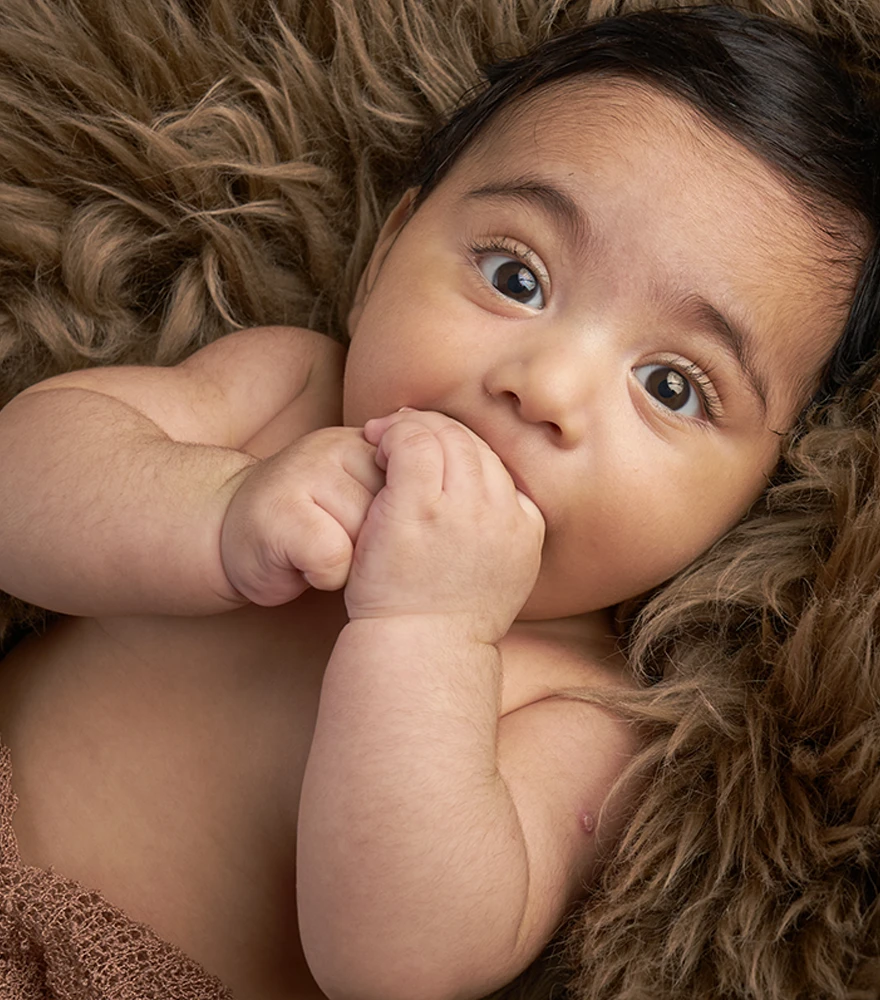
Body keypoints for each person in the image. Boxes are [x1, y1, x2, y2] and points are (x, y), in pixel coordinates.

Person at [0, 5, 878, 999]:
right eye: (515, 274)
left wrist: (429, 632)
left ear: (752, 500)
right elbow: (15, 485)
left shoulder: (584, 714)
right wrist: (215, 508)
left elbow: (400, 964)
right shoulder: (286, 394)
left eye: (670, 385)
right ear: (384, 257)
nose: (543, 387)